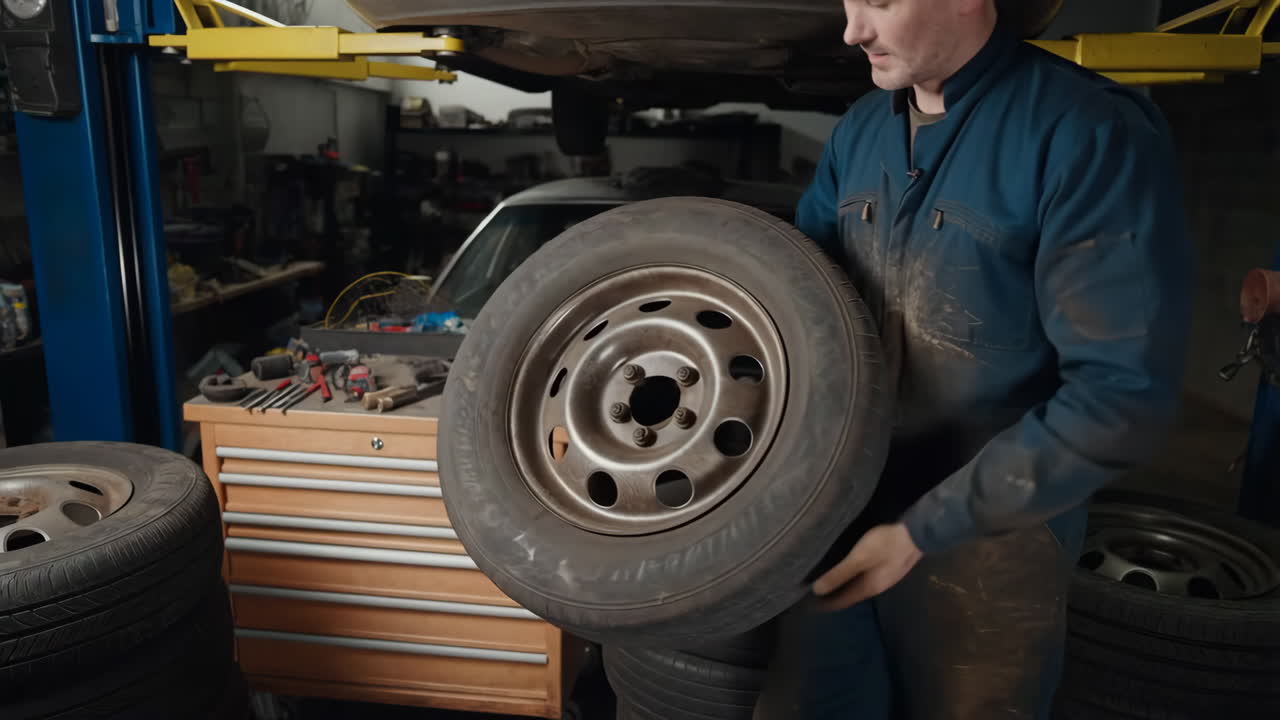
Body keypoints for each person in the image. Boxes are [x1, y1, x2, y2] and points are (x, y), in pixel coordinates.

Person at [757, 0, 1194, 717]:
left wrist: (924, 530)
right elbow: (798, 302)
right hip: (838, 508)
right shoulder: (862, 132)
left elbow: (1123, 398)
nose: (852, 31)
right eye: (849, 0)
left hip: (994, 535)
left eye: (881, 3)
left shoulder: (1086, 132)